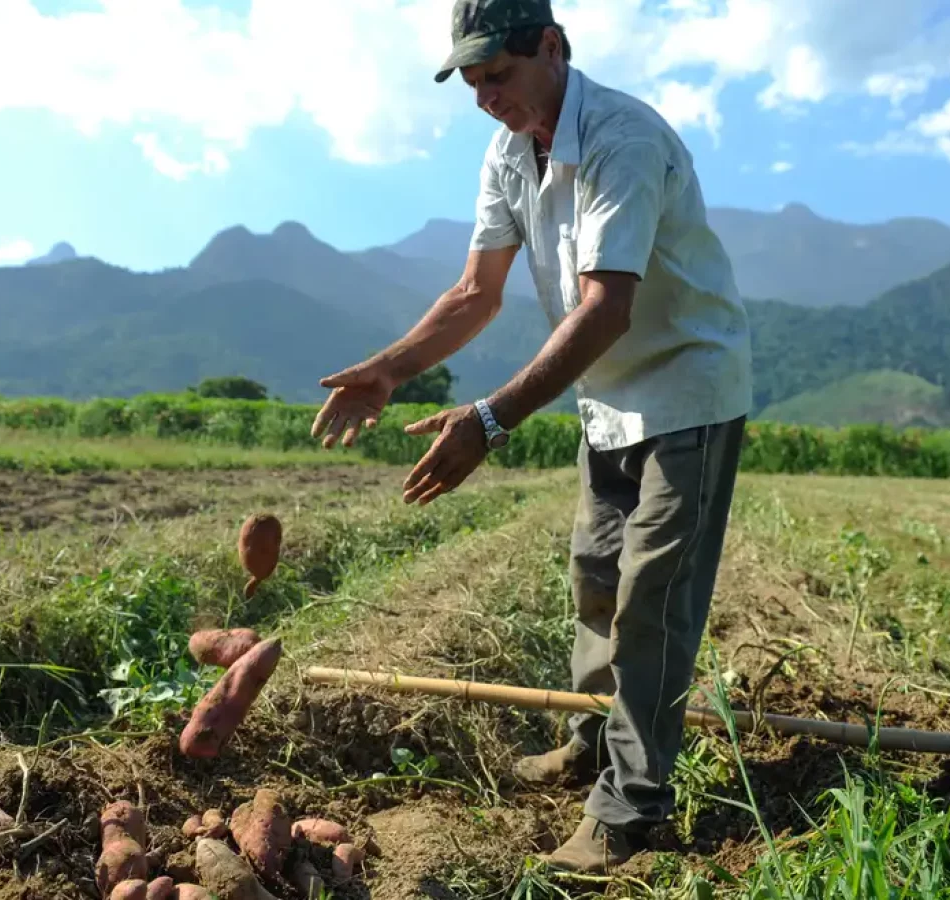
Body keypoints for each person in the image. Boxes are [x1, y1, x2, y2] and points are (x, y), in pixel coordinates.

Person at [309, 0, 753, 875]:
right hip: (608, 400)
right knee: (595, 580)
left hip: (687, 391)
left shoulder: (622, 139)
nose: (484, 97)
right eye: (471, 82)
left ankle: (631, 809)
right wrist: (389, 368)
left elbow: (606, 308)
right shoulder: (511, 149)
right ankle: (596, 740)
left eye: (497, 76)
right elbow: (478, 291)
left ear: (551, 47)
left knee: (651, 603)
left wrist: (488, 420)